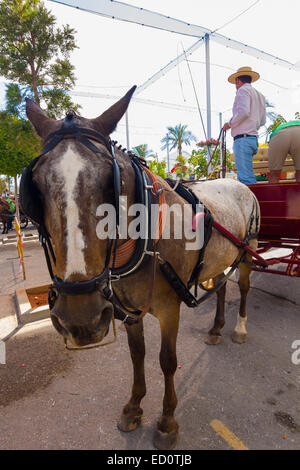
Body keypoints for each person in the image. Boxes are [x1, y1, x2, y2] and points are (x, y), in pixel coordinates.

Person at [223, 66, 266, 185]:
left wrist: (229, 124)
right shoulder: (260, 95)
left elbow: (244, 112)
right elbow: (262, 121)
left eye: (235, 83)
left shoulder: (242, 91)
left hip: (243, 139)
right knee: (247, 174)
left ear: (238, 81)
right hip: (253, 138)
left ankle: (252, 203)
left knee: (245, 178)